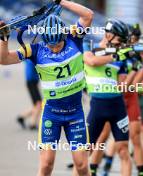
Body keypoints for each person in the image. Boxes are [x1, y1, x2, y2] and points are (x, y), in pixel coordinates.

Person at [0, 0, 94, 175]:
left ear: (64, 36)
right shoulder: (35, 50)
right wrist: (4, 40)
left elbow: (88, 15)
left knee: (81, 165)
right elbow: (4, 60)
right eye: (51, 45)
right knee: (46, 165)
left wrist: (61, 1)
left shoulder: (74, 38)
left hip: (75, 113)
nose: (55, 48)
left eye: (58, 44)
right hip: (52, 114)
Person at [83, 19, 134, 176]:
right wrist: (116, 56)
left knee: (124, 151)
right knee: (85, 153)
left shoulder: (122, 57)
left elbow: (122, 86)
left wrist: (137, 68)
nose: (120, 45)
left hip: (117, 106)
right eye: (119, 40)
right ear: (108, 34)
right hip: (97, 106)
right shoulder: (88, 45)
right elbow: (91, 61)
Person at [17, 59, 42, 130]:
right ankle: (32, 124)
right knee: (39, 104)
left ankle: (22, 117)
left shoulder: (29, 57)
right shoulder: (32, 59)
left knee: (38, 104)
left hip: (32, 82)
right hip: (31, 82)